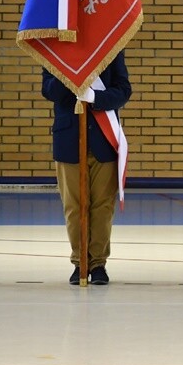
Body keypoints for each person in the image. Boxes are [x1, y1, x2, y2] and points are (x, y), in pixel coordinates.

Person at [42, 54, 131, 285]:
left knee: (102, 205)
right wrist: (72, 75)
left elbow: (123, 90)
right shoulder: (55, 51)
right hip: (69, 139)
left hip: (104, 138)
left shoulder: (111, 48)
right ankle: (79, 261)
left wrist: (95, 97)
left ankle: (98, 263)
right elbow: (49, 90)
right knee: (73, 205)